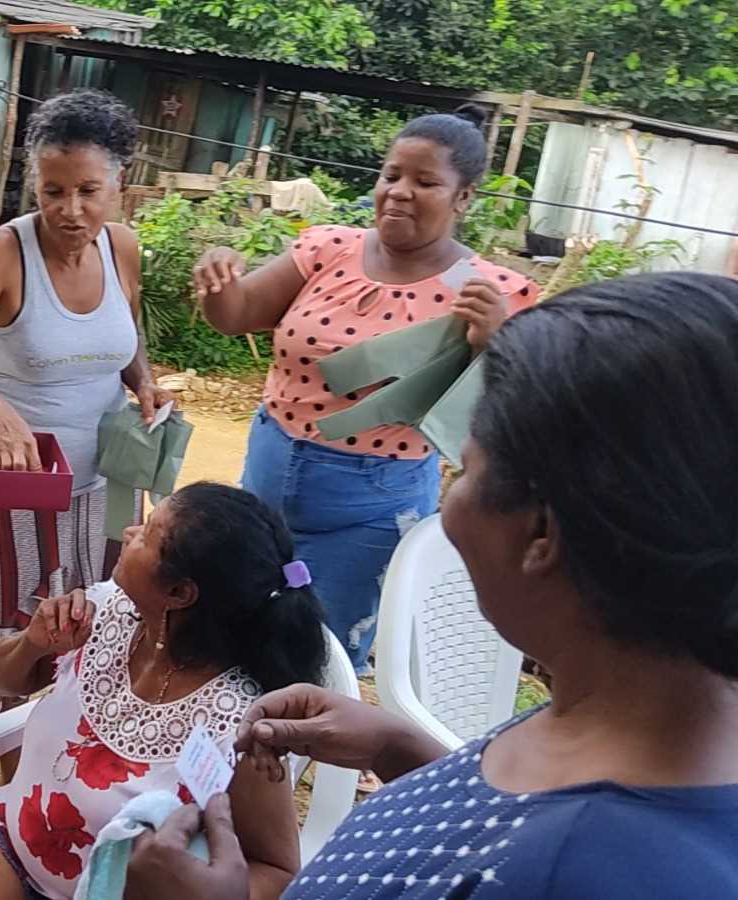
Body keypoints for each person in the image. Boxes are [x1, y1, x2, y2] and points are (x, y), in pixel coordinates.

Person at [126, 273, 738, 899]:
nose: (446, 503)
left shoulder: (583, 872)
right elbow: (506, 818)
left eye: (465, 470)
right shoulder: (629, 724)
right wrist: (405, 754)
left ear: (541, 534)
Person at [194, 106, 537, 673]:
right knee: (227, 628)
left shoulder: (491, 292)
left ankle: (299, 758)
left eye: (425, 182)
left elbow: (524, 414)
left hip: (372, 508)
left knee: (322, 657)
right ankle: (222, 755)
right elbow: (236, 315)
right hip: (264, 480)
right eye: (391, 175)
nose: (399, 192)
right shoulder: (328, 250)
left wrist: (497, 344)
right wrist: (217, 281)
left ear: (464, 198)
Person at [0, 482, 329, 900]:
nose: (131, 531)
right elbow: (4, 680)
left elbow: (277, 870)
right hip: (8, 843)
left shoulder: (240, 725)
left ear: (179, 593)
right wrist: (34, 642)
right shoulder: (106, 608)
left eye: (148, 533)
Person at [0, 89, 173, 730]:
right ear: (34, 186)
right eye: (52, 191)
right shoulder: (3, 253)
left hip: (111, 480)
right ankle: (8, 769)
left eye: (88, 191)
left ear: (119, 182)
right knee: (24, 631)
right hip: (22, 482)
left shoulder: (121, 248)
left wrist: (145, 384)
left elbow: (123, 336)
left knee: (106, 617)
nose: (70, 211)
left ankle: (76, 757)